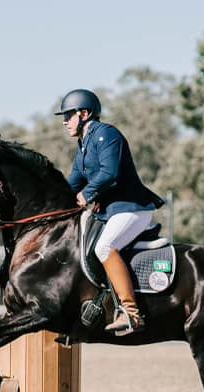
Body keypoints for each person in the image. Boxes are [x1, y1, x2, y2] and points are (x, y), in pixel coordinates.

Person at [56, 88, 164, 336]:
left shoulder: (106, 134)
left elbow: (109, 173)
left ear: (84, 114)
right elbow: (73, 183)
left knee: (104, 247)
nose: (64, 121)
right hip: (109, 212)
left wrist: (87, 194)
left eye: (68, 115)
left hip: (132, 208)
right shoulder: (83, 146)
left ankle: (131, 313)